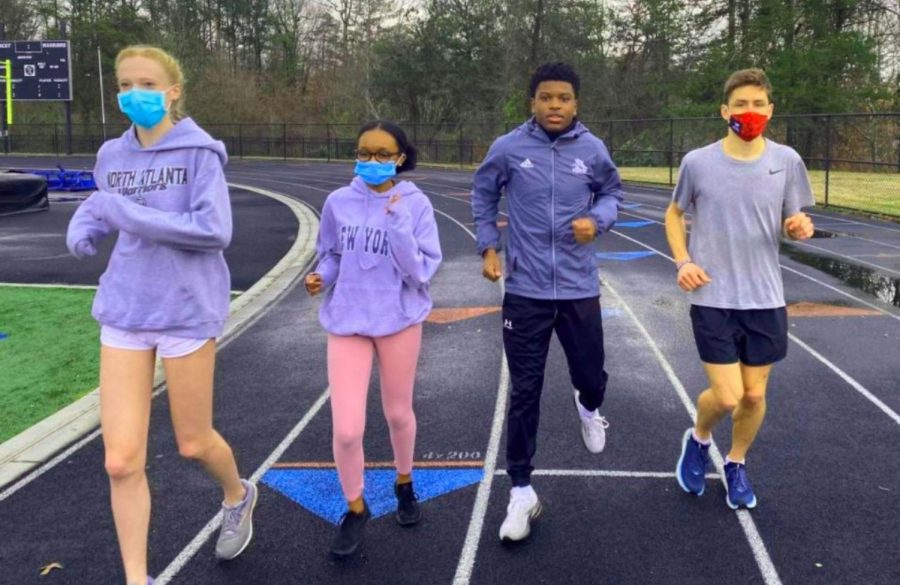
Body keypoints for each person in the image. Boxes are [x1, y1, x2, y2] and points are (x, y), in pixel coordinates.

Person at [66, 45, 256, 585]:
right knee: (120, 461)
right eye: (125, 84)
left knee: (192, 442)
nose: (134, 94)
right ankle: (137, 578)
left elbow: (213, 233)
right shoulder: (112, 155)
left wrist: (119, 211)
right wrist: (86, 224)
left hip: (185, 309)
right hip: (126, 308)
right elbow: (102, 203)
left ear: (173, 91)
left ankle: (238, 495)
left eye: (147, 84)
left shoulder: (200, 155)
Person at [472, 62, 623, 542]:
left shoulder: (593, 149)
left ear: (576, 103)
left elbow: (614, 193)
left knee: (591, 376)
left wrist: (596, 220)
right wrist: (487, 245)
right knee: (524, 391)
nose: (554, 105)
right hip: (526, 291)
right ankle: (520, 491)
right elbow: (482, 192)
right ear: (532, 102)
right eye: (545, 98)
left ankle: (588, 403)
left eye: (563, 98)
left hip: (580, 288)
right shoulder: (509, 148)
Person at [666, 68, 815, 510]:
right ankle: (698, 437)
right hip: (713, 296)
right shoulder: (698, 161)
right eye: (741, 104)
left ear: (769, 110)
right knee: (728, 396)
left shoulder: (786, 160)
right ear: (725, 110)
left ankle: (735, 462)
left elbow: (794, 223)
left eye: (758, 104)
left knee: (753, 395)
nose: (749, 112)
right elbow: (674, 215)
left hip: (765, 297)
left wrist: (799, 226)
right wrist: (684, 260)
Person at [305, 120, 442, 557]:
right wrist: (320, 277)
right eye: (364, 153)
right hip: (348, 320)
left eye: (383, 154)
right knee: (347, 429)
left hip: (399, 319)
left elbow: (420, 272)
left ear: (400, 157)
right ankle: (355, 506)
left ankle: (404, 482)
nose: (371, 161)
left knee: (398, 413)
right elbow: (331, 254)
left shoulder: (416, 205)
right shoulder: (337, 202)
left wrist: (398, 222)